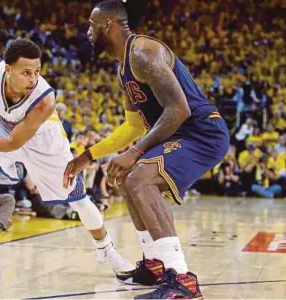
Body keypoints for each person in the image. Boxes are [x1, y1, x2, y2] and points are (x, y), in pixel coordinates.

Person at [0, 39, 134, 287]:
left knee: (78, 199)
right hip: (1, 124)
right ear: (8, 70)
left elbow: (12, 144)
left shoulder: (44, 100)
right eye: (26, 72)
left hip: (43, 138)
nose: (33, 78)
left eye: (37, 72)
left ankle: (106, 249)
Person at [63, 1, 229, 298]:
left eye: (91, 24)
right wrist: (88, 156)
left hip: (202, 132)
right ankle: (154, 263)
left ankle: (181, 279)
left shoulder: (143, 53)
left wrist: (136, 152)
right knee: (127, 177)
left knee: (139, 177)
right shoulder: (123, 67)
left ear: (108, 25)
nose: (87, 31)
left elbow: (179, 110)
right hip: (177, 134)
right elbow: (133, 127)